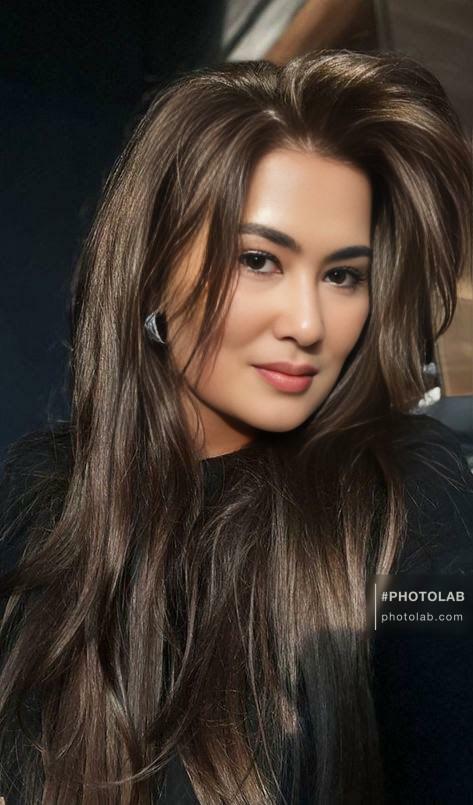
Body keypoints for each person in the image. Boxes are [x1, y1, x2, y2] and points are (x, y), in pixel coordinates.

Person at [1, 49, 472, 804]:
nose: (308, 323)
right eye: (259, 260)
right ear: (153, 266)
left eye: (343, 275)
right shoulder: (41, 490)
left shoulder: (404, 488)